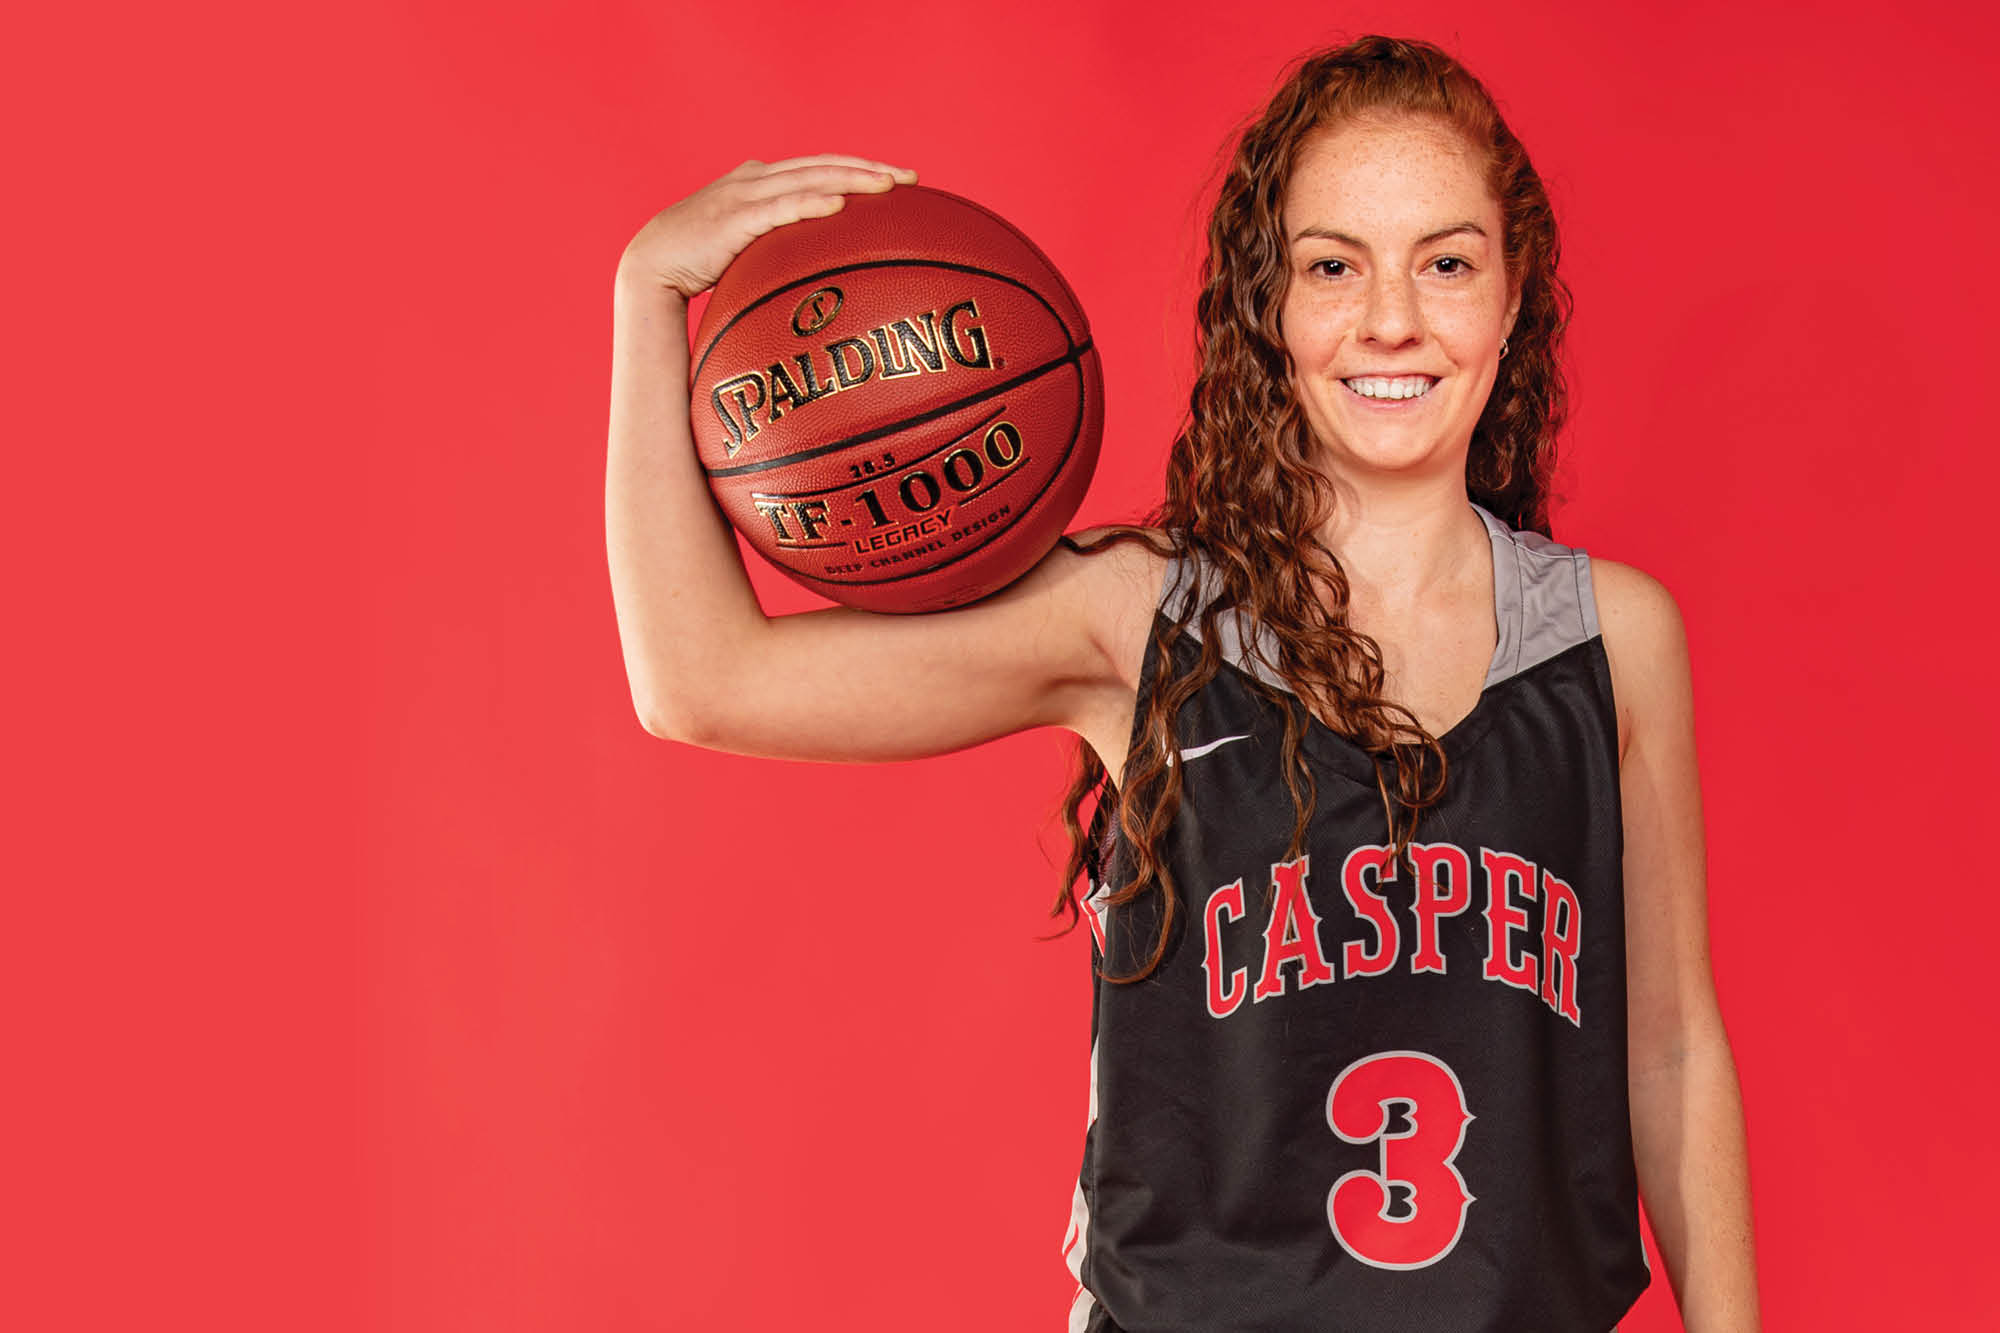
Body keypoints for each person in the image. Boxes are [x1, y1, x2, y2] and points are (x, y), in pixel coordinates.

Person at [606, 33, 1758, 1333]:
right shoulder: (1144, 616)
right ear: (1269, 304)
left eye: (1445, 262)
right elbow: (705, 677)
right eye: (1335, 266)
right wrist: (650, 299)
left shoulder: (1609, 638)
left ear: (1512, 296)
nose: (1393, 317)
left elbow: (1667, 1047)